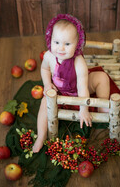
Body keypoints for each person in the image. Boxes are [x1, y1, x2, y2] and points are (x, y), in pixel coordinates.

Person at [33, 14, 110, 153]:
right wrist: (47, 84)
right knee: (45, 102)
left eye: (67, 44)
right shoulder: (49, 56)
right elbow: (44, 69)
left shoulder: (79, 62)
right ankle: (41, 136)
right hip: (59, 92)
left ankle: (103, 105)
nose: (61, 48)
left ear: (78, 44)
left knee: (102, 77)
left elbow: (82, 87)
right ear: (50, 40)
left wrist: (84, 109)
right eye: (56, 42)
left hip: (79, 91)